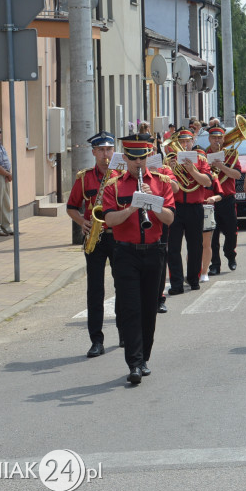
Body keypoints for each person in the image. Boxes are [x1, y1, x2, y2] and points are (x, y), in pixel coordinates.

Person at [101, 134, 176, 384]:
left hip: (154, 251)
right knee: (131, 309)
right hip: (125, 253)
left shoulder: (161, 183)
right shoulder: (113, 185)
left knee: (148, 310)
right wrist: (133, 207)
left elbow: (169, 219)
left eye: (142, 159)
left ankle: (144, 358)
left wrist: (151, 203)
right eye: (133, 159)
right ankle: (133, 363)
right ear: (125, 159)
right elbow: (109, 220)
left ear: (147, 157)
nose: (138, 164)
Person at [66, 131, 121, 358]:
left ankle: (125, 333)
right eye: (101, 150)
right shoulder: (84, 177)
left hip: (118, 236)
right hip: (94, 237)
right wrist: (83, 222)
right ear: (93, 152)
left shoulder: (122, 175)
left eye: (109, 149)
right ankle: (96, 340)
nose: (105, 154)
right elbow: (71, 207)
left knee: (123, 288)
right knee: (95, 291)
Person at [164, 128, 215, 295]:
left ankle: (193, 279)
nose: (185, 145)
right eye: (182, 142)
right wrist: (170, 170)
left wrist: (192, 170)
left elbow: (207, 182)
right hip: (175, 208)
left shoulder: (200, 159)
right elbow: (165, 184)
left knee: (195, 247)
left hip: (195, 207)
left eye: (188, 141)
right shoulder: (170, 160)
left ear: (193, 142)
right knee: (173, 248)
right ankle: (176, 283)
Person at [205, 126, 243, 276]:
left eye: (220, 138)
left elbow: (237, 175)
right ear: (209, 139)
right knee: (212, 235)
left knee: (231, 232)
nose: (217, 141)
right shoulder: (204, 155)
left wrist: (220, 166)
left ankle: (230, 255)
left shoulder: (231, 155)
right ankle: (215, 264)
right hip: (210, 200)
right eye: (214, 138)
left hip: (227, 199)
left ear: (223, 139)